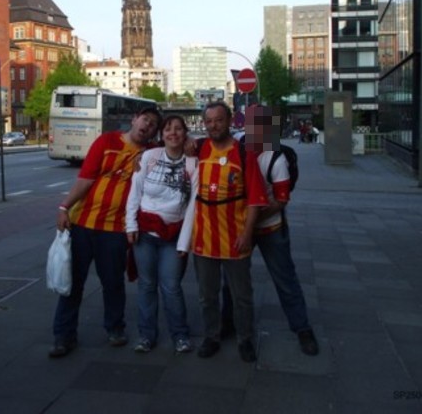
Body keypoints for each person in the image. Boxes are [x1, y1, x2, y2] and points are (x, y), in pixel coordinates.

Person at [48, 106, 162, 358]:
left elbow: (179, 144)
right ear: (134, 119)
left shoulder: (152, 153)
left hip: (116, 229)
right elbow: (85, 179)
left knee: (112, 283)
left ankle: (115, 328)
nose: (147, 126)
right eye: (145, 119)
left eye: (153, 124)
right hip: (83, 224)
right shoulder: (107, 142)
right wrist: (64, 207)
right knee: (73, 283)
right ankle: (63, 336)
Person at [178, 101, 268, 363]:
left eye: (218, 120)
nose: (213, 125)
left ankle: (245, 339)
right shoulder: (199, 148)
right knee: (207, 295)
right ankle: (212, 336)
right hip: (204, 239)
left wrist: (248, 233)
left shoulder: (244, 153)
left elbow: (255, 199)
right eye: (209, 121)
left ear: (229, 120)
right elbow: (168, 147)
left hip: (235, 238)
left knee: (242, 296)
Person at [244, 104, 319, 356]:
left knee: (285, 278)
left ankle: (302, 328)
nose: (257, 130)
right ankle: (229, 323)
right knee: (233, 280)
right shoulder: (238, 148)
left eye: (263, 125)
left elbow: (281, 200)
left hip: (270, 226)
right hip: (242, 226)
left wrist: (252, 219)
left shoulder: (277, 157)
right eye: (253, 124)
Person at [126, 114, 196, 354]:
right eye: (167, 129)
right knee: (146, 285)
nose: (173, 133)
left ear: (185, 133)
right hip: (145, 234)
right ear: (161, 135)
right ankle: (146, 336)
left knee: (171, 286)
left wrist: (184, 243)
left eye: (178, 129)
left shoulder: (192, 163)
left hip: (174, 234)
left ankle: (180, 335)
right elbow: (134, 193)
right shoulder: (149, 157)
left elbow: (193, 206)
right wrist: (130, 226)